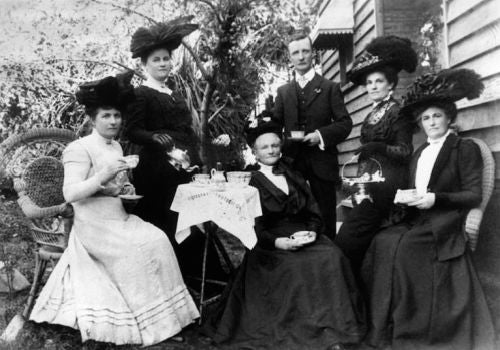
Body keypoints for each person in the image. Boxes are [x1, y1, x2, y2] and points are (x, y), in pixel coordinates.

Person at [29, 73, 199, 346]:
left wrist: (125, 189)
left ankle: (166, 319)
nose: (113, 122)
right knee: (137, 249)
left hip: (118, 217)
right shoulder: (78, 148)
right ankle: (147, 322)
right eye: (106, 116)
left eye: (117, 116)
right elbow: (70, 193)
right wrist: (103, 175)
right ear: (93, 120)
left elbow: (116, 186)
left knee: (158, 239)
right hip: (93, 225)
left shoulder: (117, 145)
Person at [361, 68, 496, 349]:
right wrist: (404, 195)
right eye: (426, 118)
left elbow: (472, 194)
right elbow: (417, 188)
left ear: (448, 117)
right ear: (420, 123)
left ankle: (415, 325)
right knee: (381, 242)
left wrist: (437, 199)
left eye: (437, 116)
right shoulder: (421, 152)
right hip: (418, 217)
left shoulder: (464, 148)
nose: (431, 122)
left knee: (407, 247)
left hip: (445, 219)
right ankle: (385, 324)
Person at [214, 116, 366, 350]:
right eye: (264, 147)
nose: (271, 150)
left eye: (275, 145)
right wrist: (278, 242)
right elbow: (254, 227)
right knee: (296, 267)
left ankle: (333, 328)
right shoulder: (249, 180)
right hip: (270, 242)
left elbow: (313, 211)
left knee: (331, 256)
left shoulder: (293, 173)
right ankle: (308, 332)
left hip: (304, 233)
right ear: (255, 152)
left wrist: (314, 232)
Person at [335, 36, 417, 273]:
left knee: (346, 243)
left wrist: (378, 148)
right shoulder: (372, 114)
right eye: (369, 82)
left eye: (378, 81)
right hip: (370, 185)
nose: (372, 86)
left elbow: (405, 151)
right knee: (347, 240)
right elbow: (366, 156)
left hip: (389, 186)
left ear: (390, 85)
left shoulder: (397, 112)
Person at [124, 17, 200, 241]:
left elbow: (185, 129)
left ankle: (192, 272)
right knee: (165, 221)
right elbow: (132, 131)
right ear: (144, 65)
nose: (163, 63)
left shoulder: (174, 94)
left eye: (166, 59)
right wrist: (154, 137)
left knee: (188, 218)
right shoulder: (141, 94)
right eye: (156, 60)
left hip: (183, 164)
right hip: (156, 169)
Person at [273, 32, 352, 239]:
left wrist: (320, 135)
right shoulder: (283, 92)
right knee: (296, 216)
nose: (301, 57)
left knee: (325, 217)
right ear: (290, 57)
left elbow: (345, 124)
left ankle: (329, 264)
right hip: (292, 163)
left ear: (313, 54)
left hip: (322, 163)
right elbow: (274, 125)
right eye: (295, 52)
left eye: (305, 51)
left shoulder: (330, 88)